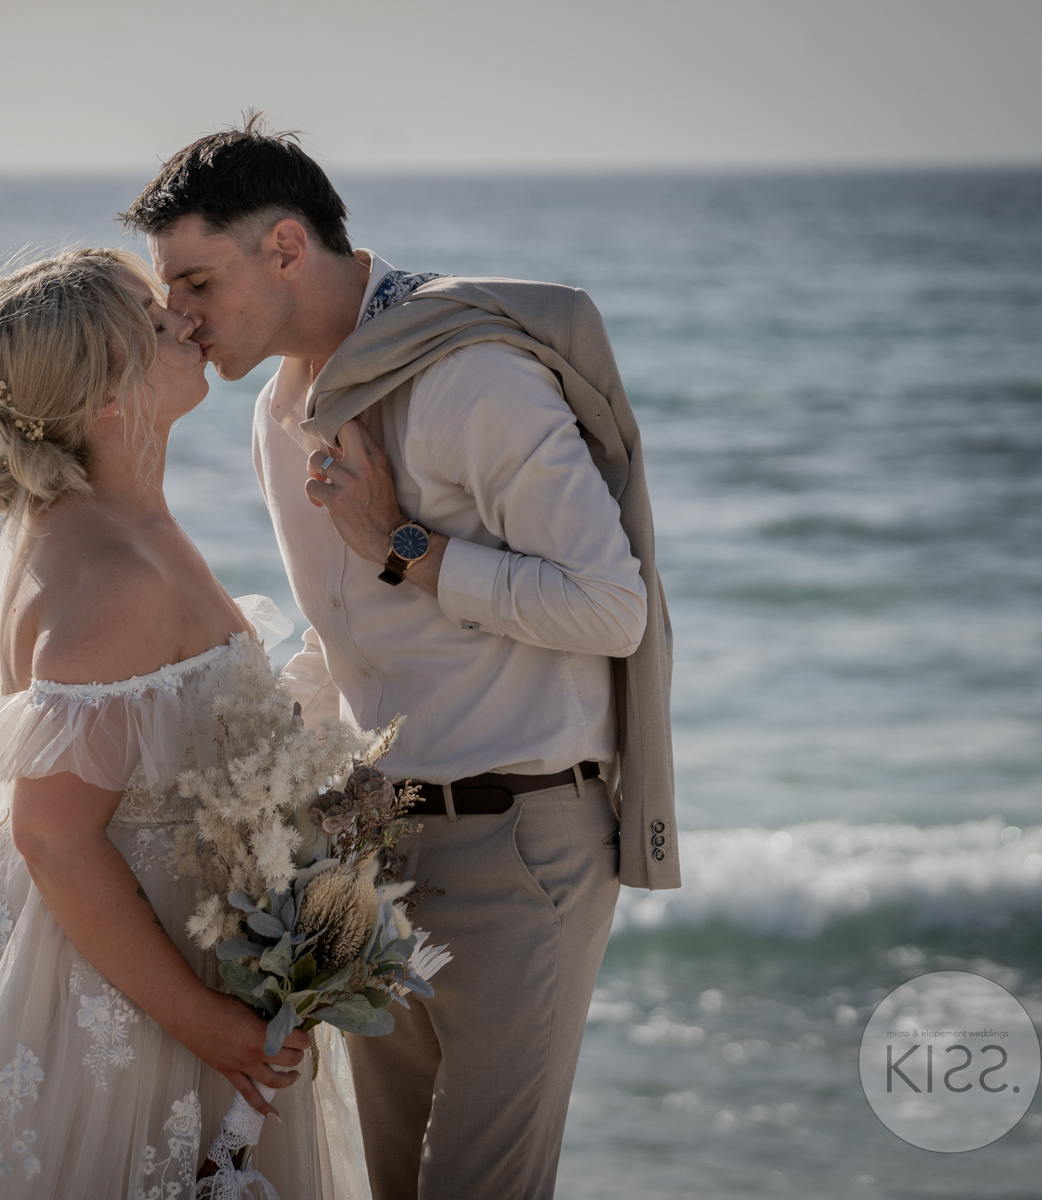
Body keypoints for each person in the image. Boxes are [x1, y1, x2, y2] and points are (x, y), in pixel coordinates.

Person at [122, 118, 680, 1200]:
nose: (177, 316)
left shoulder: (472, 378)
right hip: (369, 851)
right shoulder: (278, 413)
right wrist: (241, 752)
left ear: (286, 247)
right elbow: (346, 641)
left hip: (523, 845)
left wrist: (407, 548)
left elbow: (613, 607)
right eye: (168, 289)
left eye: (196, 281)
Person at [0, 248, 370, 1199]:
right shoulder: (111, 576)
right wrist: (207, 1025)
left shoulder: (121, 524)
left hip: (160, 948)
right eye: (155, 322)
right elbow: (53, 837)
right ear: (104, 398)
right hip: (112, 996)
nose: (185, 318)